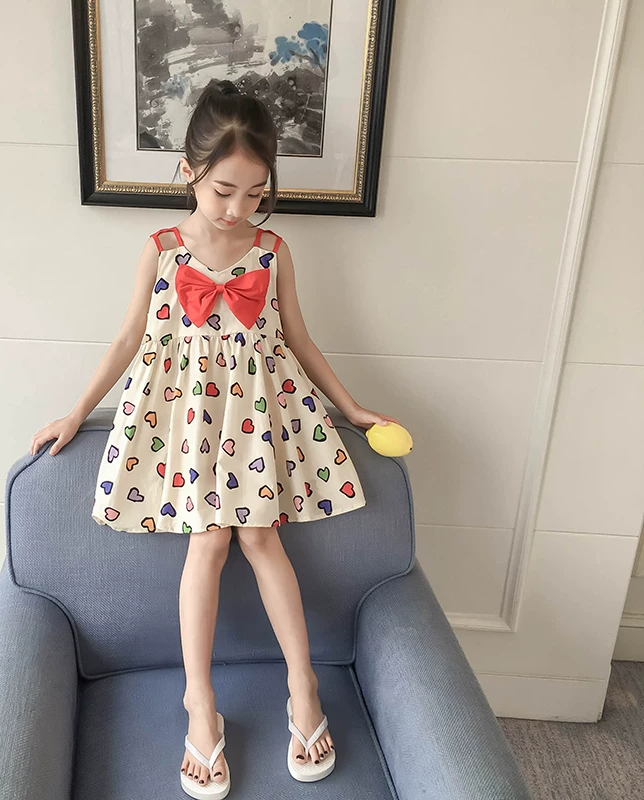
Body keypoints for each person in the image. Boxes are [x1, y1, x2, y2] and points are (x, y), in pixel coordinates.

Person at [29, 78, 401, 798]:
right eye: (224, 189)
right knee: (209, 542)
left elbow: (300, 340)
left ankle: (303, 689)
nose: (238, 208)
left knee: (261, 536)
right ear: (188, 171)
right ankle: (200, 705)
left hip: (256, 418)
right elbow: (129, 338)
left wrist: (352, 408)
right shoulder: (163, 249)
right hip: (190, 421)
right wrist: (76, 411)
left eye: (255, 193)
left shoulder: (273, 250)